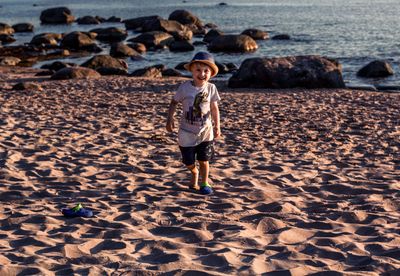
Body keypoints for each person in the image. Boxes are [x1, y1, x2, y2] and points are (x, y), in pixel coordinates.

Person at [166, 51, 221, 195]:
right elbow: (173, 103)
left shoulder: (211, 88)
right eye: (198, 70)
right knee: (188, 161)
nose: (202, 74)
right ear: (191, 70)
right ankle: (194, 173)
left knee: (204, 160)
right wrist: (170, 118)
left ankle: (204, 183)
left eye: (206, 71)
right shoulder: (184, 87)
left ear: (211, 73)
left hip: (205, 131)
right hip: (186, 132)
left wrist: (217, 126)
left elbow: (214, 108)